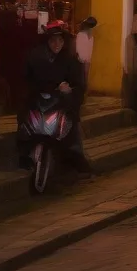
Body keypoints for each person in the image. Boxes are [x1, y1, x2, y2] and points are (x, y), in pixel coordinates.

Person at [19, 20, 91, 172]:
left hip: (60, 105)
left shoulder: (70, 60)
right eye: (53, 40)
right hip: (40, 101)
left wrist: (70, 92)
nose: (56, 44)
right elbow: (29, 79)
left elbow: (79, 85)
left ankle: (74, 156)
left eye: (59, 40)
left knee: (72, 123)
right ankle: (24, 156)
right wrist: (53, 87)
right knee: (25, 121)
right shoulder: (36, 57)